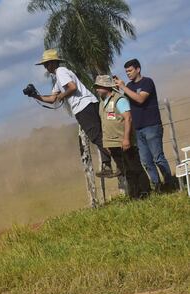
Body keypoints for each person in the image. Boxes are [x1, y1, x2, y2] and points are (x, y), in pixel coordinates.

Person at [29, 49, 118, 178]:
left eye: (47, 64)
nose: (46, 67)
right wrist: (35, 96)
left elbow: (72, 87)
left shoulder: (60, 72)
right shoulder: (58, 77)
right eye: (45, 64)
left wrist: (63, 96)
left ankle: (121, 161)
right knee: (100, 136)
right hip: (89, 104)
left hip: (83, 107)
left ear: (54, 63)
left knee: (97, 137)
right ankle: (108, 164)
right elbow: (53, 99)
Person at [114, 59, 176, 192]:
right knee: (146, 161)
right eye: (126, 72)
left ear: (138, 69)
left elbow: (140, 99)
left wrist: (123, 87)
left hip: (152, 126)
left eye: (130, 70)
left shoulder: (148, 82)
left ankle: (170, 183)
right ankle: (157, 185)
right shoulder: (129, 86)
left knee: (158, 158)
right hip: (138, 129)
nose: (128, 73)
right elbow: (125, 103)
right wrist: (121, 88)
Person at [93, 75, 150, 199]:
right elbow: (104, 123)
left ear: (106, 87)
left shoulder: (119, 99)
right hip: (112, 143)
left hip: (123, 141)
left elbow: (128, 118)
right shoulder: (102, 103)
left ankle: (145, 192)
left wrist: (126, 139)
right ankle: (135, 195)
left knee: (135, 167)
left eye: (98, 86)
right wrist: (106, 143)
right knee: (126, 171)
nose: (96, 89)